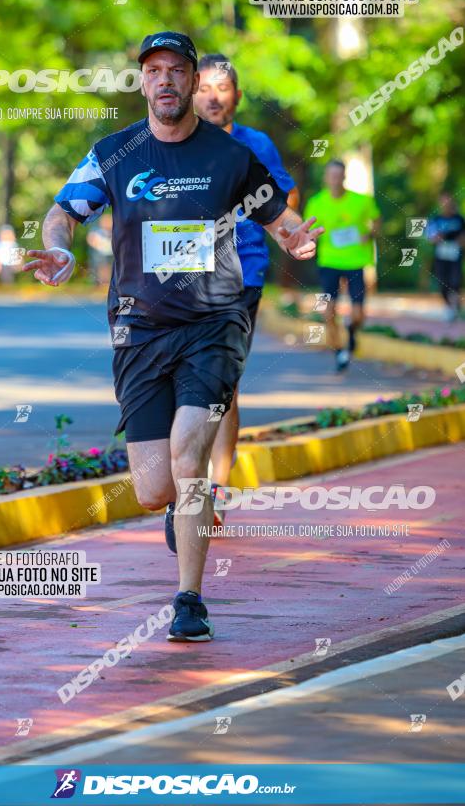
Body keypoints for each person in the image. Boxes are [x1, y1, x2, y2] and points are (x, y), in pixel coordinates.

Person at [24, 31, 322, 642]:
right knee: (154, 486)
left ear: (192, 81)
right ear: (142, 82)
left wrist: (293, 234)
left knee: (191, 457)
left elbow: (276, 212)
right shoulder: (113, 151)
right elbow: (63, 212)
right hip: (139, 329)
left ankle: (189, 599)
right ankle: (184, 509)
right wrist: (57, 248)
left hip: (214, 323)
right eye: (153, 71)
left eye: (176, 71)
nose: (165, 81)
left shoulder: (230, 156)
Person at [193, 53, 299, 500]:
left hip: (243, 270)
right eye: (203, 88)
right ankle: (187, 475)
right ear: (190, 93)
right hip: (183, 272)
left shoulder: (256, 143)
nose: (213, 97)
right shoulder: (174, 142)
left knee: (224, 380)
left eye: (222, 88)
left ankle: (217, 485)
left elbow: (285, 195)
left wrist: (290, 232)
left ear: (236, 95)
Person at [304, 160, 381, 371]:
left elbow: (376, 221)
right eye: (331, 175)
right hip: (329, 262)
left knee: (357, 314)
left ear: (345, 177)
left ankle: (352, 331)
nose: (335, 180)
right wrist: (310, 242)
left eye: (339, 175)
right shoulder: (316, 203)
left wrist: (370, 233)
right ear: (326, 178)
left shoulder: (361, 201)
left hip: (356, 261)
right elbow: (309, 232)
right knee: (328, 311)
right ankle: (339, 351)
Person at [427, 193, 465, 321]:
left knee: (455, 282)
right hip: (441, 256)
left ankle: (455, 307)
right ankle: (449, 307)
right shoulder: (436, 220)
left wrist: (460, 241)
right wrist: (437, 238)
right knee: (443, 283)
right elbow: (430, 237)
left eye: (447, 201)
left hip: (455, 255)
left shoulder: (459, 219)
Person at [86, 213, 113, 285]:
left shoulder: (113, 231)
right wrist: (99, 246)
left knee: (109, 267)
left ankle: (107, 283)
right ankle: (102, 283)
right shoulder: (97, 230)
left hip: (110, 253)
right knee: (101, 267)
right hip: (99, 253)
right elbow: (91, 239)